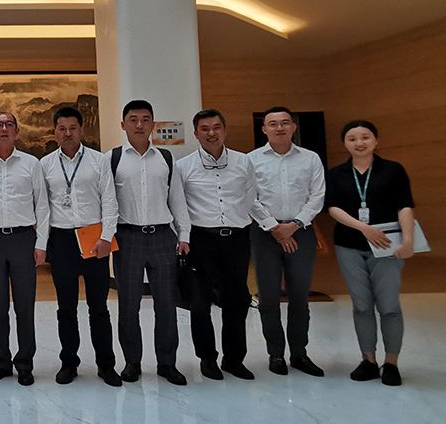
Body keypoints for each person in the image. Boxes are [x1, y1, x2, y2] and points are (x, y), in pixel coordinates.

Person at [326, 120, 416, 386]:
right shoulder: (337, 173)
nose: (359, 143)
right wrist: (364, 228)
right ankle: (368, 360)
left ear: (376, 140)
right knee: (362, 306)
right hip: (348, 245)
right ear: (345, 143)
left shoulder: (393, 170)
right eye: (352, 138)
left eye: (365, 137)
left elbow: (405, 206)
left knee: (389, 307)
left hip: (387, 246)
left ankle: (391, 363)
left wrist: (408, 240)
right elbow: (332, 208)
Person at [108, 100, 190, 386]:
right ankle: (132, 362)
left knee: (166, 304)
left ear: (153, 124)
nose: (139, 124)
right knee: (128, 304)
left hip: (163, 237)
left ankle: (167, 363)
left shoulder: (165, 158)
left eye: (145, 119)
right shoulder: (113, 159)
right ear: (123, 125)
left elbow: (177, 199)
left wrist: (184, 235)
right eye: (133, 119)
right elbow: (107, 202)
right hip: (127, 237)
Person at [40, 107, 121, 387]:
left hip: (93, 238)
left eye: (73, 128)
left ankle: (106, 365)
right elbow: (42, 208)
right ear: (55, 131)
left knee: (99, 306)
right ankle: (68, 363)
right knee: (66, 307)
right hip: (62, 241)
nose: (68, 133)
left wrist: (106, 237)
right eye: (62, 128)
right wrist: (41, 243)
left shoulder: (99, 161)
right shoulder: (46, 164)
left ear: (82, 130)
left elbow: (109, 200)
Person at [175, 109, 257, 381]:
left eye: (216, 127)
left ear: (225, 129)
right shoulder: (183, 166)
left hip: (236, 239)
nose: (212, 133)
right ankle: (207, 358)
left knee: (237, 300)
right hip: (201, 240)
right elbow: (179, 207)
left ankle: (234, 359)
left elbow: (251, 197)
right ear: (196, 134)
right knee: (200, 302)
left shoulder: (243, 161)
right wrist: (183, 238)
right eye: (205, 129)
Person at [249, 106, 326, 377]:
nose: (279, 127)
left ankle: (299, 354)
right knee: (268, 298)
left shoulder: (310, 158)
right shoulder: (251, 160)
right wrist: (274, 227)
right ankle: (276, 354)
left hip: (301, 232)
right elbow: (249, 198)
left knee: (299, 297)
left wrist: (294, 226)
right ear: (264, 129)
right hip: (264, 234)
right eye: (273, 123)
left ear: (293, 127)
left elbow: (317, 196)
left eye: (285, 123)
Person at [0, 113, 48, 386]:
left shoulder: (31, 164)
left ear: (17, 131)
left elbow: (42, 206)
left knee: (24, 306)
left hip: (23, 240)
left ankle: (25, 363)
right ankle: (1, 362)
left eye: (9, 125)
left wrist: (41, 243)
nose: (4, 129)